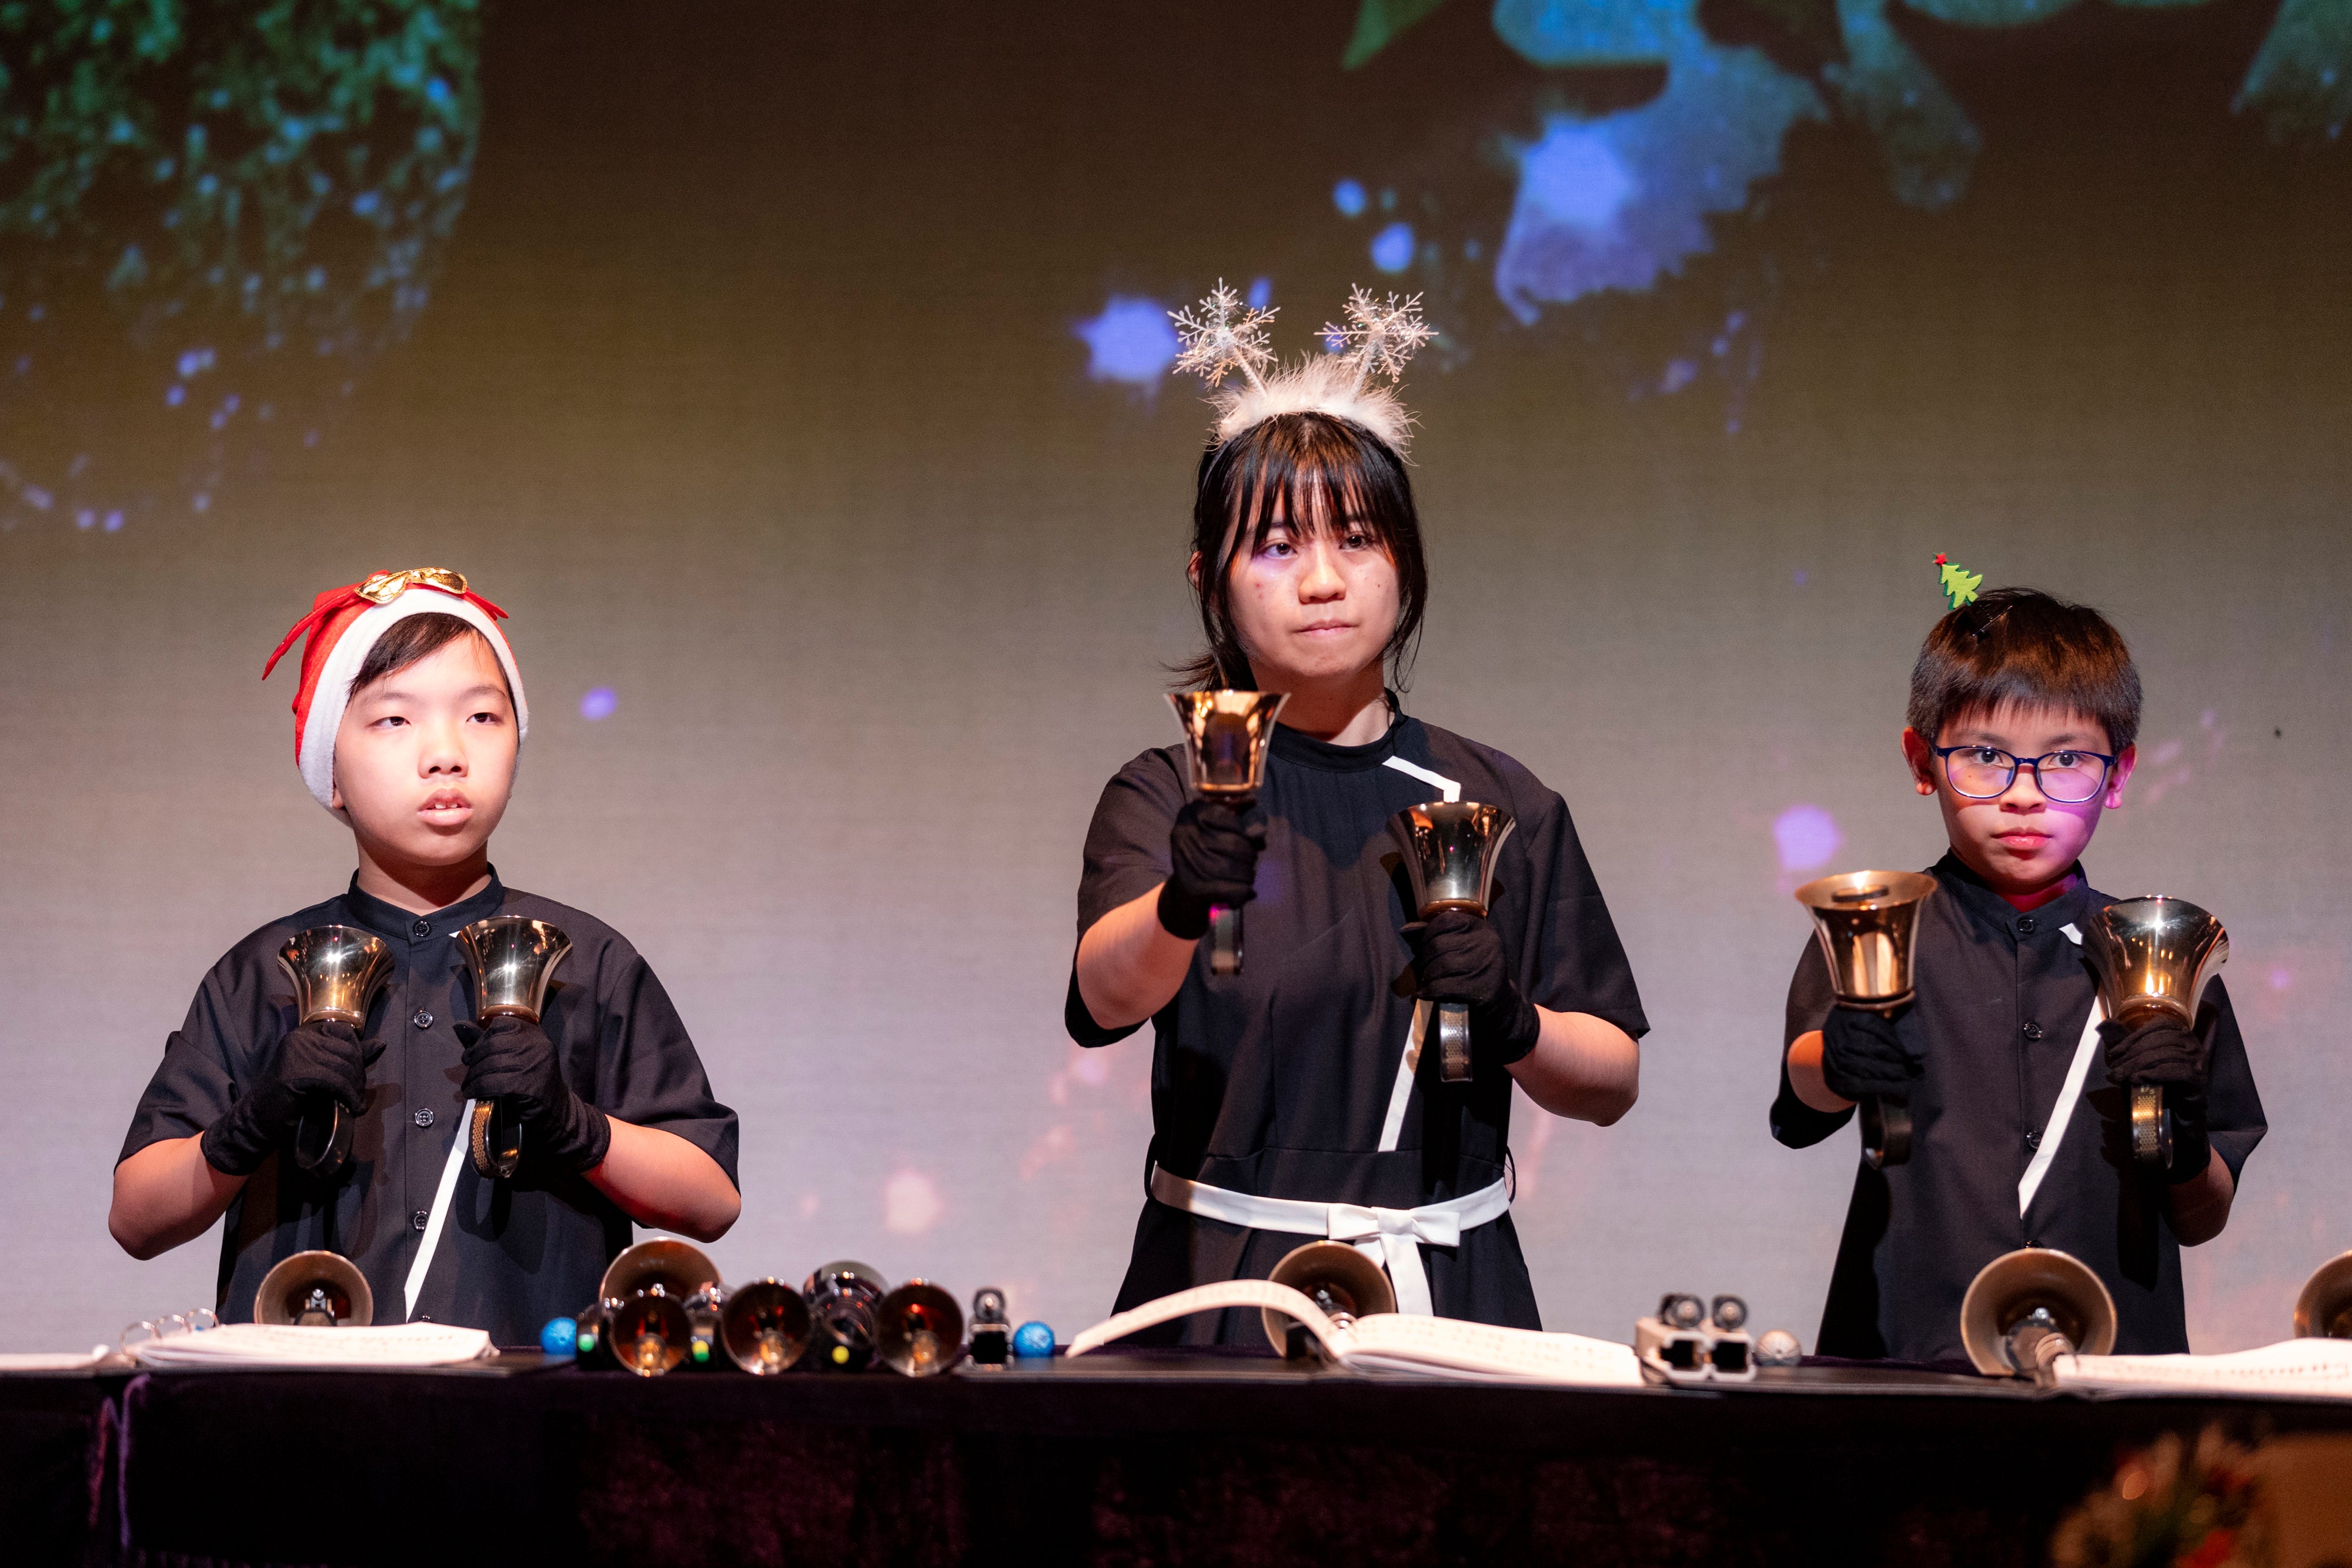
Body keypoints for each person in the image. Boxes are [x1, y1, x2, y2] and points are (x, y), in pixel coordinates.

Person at [1068, 289, 1648, 1341]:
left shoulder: (1503, 798)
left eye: (1359, 540)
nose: (1324, 581)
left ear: (1407, 565)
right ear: (1211, 579)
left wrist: (1512, 1018)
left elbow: (1609, 1076)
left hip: (1452, 1290)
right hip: (1220, 1289)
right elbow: (1105, 997)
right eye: (1278, 547)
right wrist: (1183, 902)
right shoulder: (1167, 789)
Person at [108, 569, 739, 1345]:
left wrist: (580, 1128)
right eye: (394, 722)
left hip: (532, 1412)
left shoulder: (592, 962)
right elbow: (136, 1219)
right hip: (298, 1414)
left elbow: (711, 1201)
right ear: (330, 772)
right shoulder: (260, 974)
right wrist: (253, 1121)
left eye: (481, 716)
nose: (445, 754)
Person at [1774, 581, 2264, 1360]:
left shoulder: (2168, 953)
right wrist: (1837, 1054)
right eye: (1986, 757)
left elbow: (2203, 1214)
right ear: (1922, 760)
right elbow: (1803, 1103)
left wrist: (2185, 1132)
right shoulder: (1883, 924)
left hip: (2117, 1365)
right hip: (1910, 1357)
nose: (2024, 795)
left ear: (2120, 772)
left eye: (2066, 760)